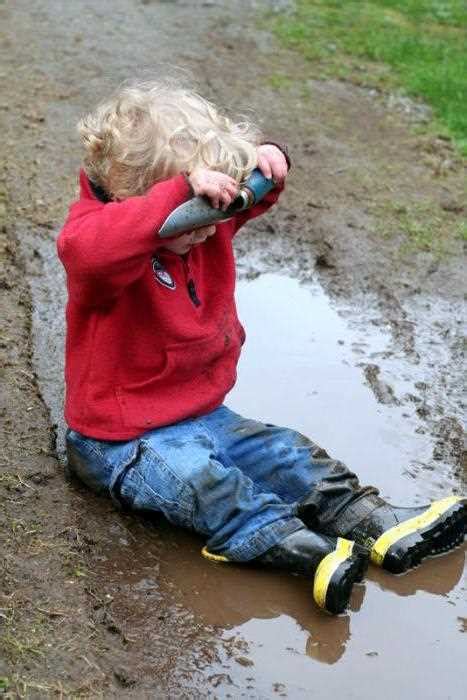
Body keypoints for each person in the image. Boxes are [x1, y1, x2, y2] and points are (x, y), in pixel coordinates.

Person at [58, 79, 465, 616]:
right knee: (204, 484)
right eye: (194, 217)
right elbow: (93, 249)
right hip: (120, 439)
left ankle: (376, 523)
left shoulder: (207, 225)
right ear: (137, 201)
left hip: (204, 415)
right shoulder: (99, 242)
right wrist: (179, 198)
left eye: (215, 215)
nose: (208, 231)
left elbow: (257, 193)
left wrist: (263, 162)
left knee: (285, 453)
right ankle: (298, 550)